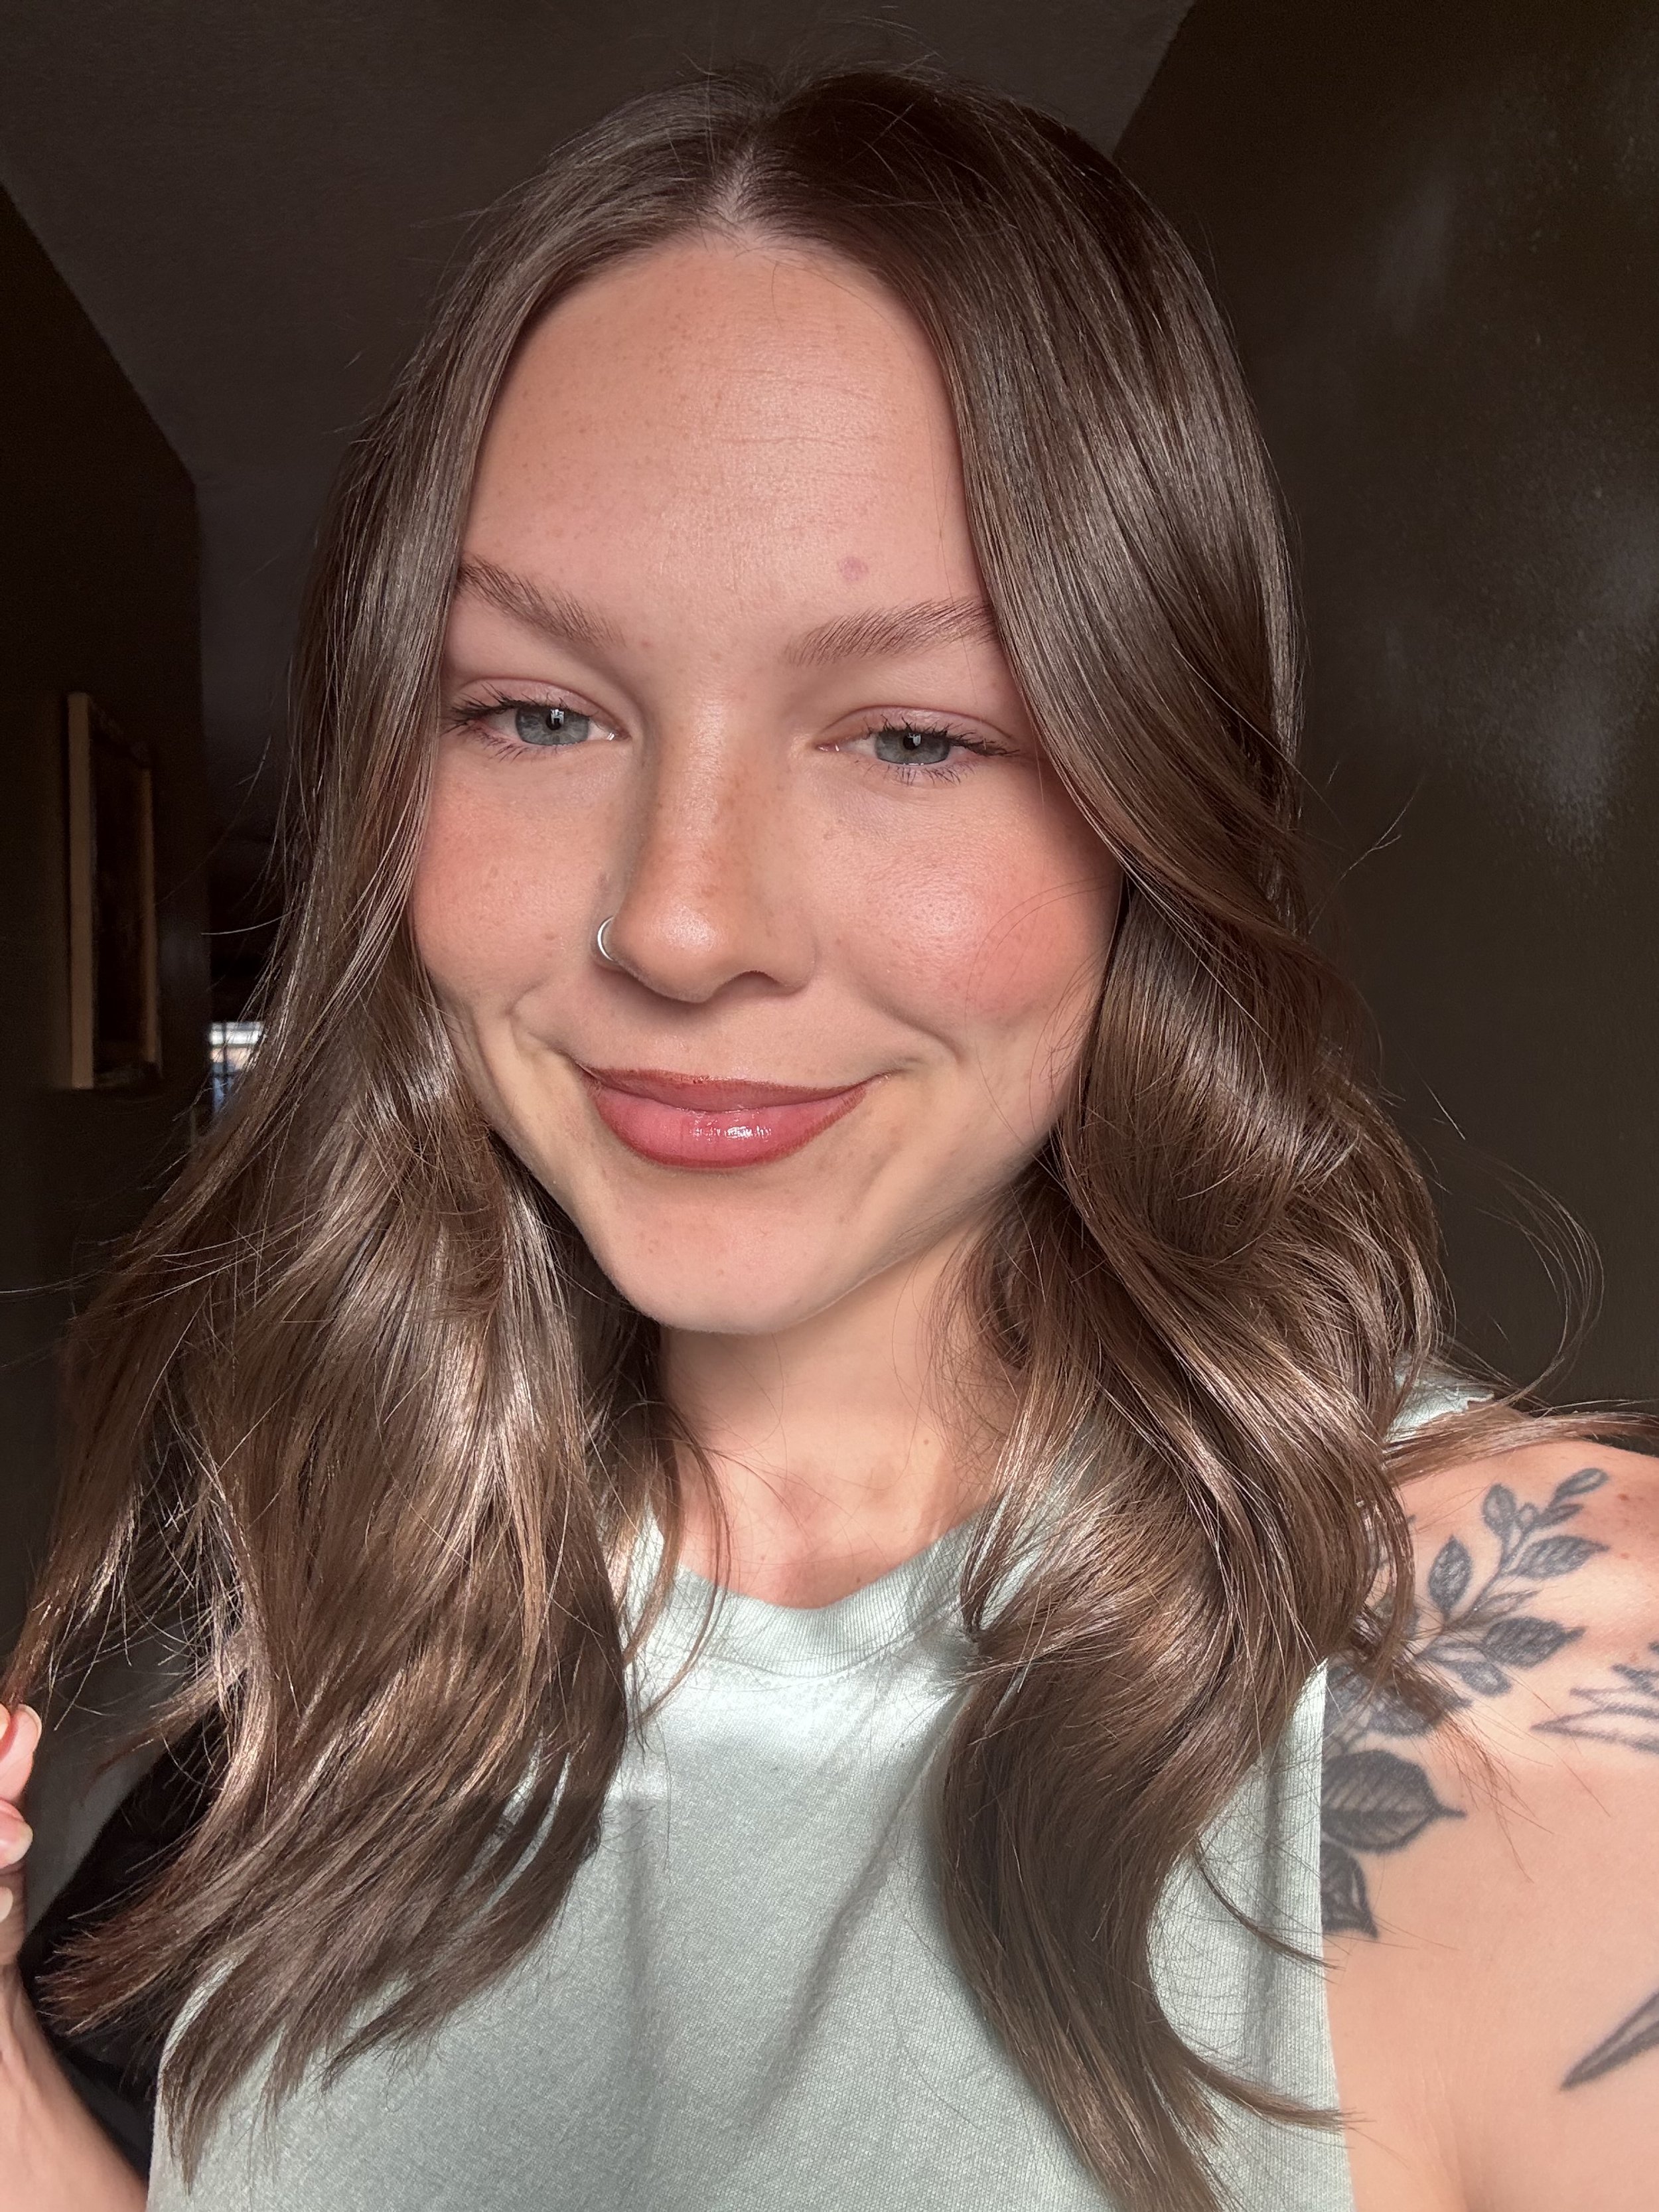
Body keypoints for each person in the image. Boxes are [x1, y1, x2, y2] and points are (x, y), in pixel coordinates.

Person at [0, 63, 1654, 2212]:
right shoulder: (364, 1612)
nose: (681, 920)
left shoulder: (1536, 1681)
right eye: (534, 710)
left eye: (912, 732)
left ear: (1154, 810)